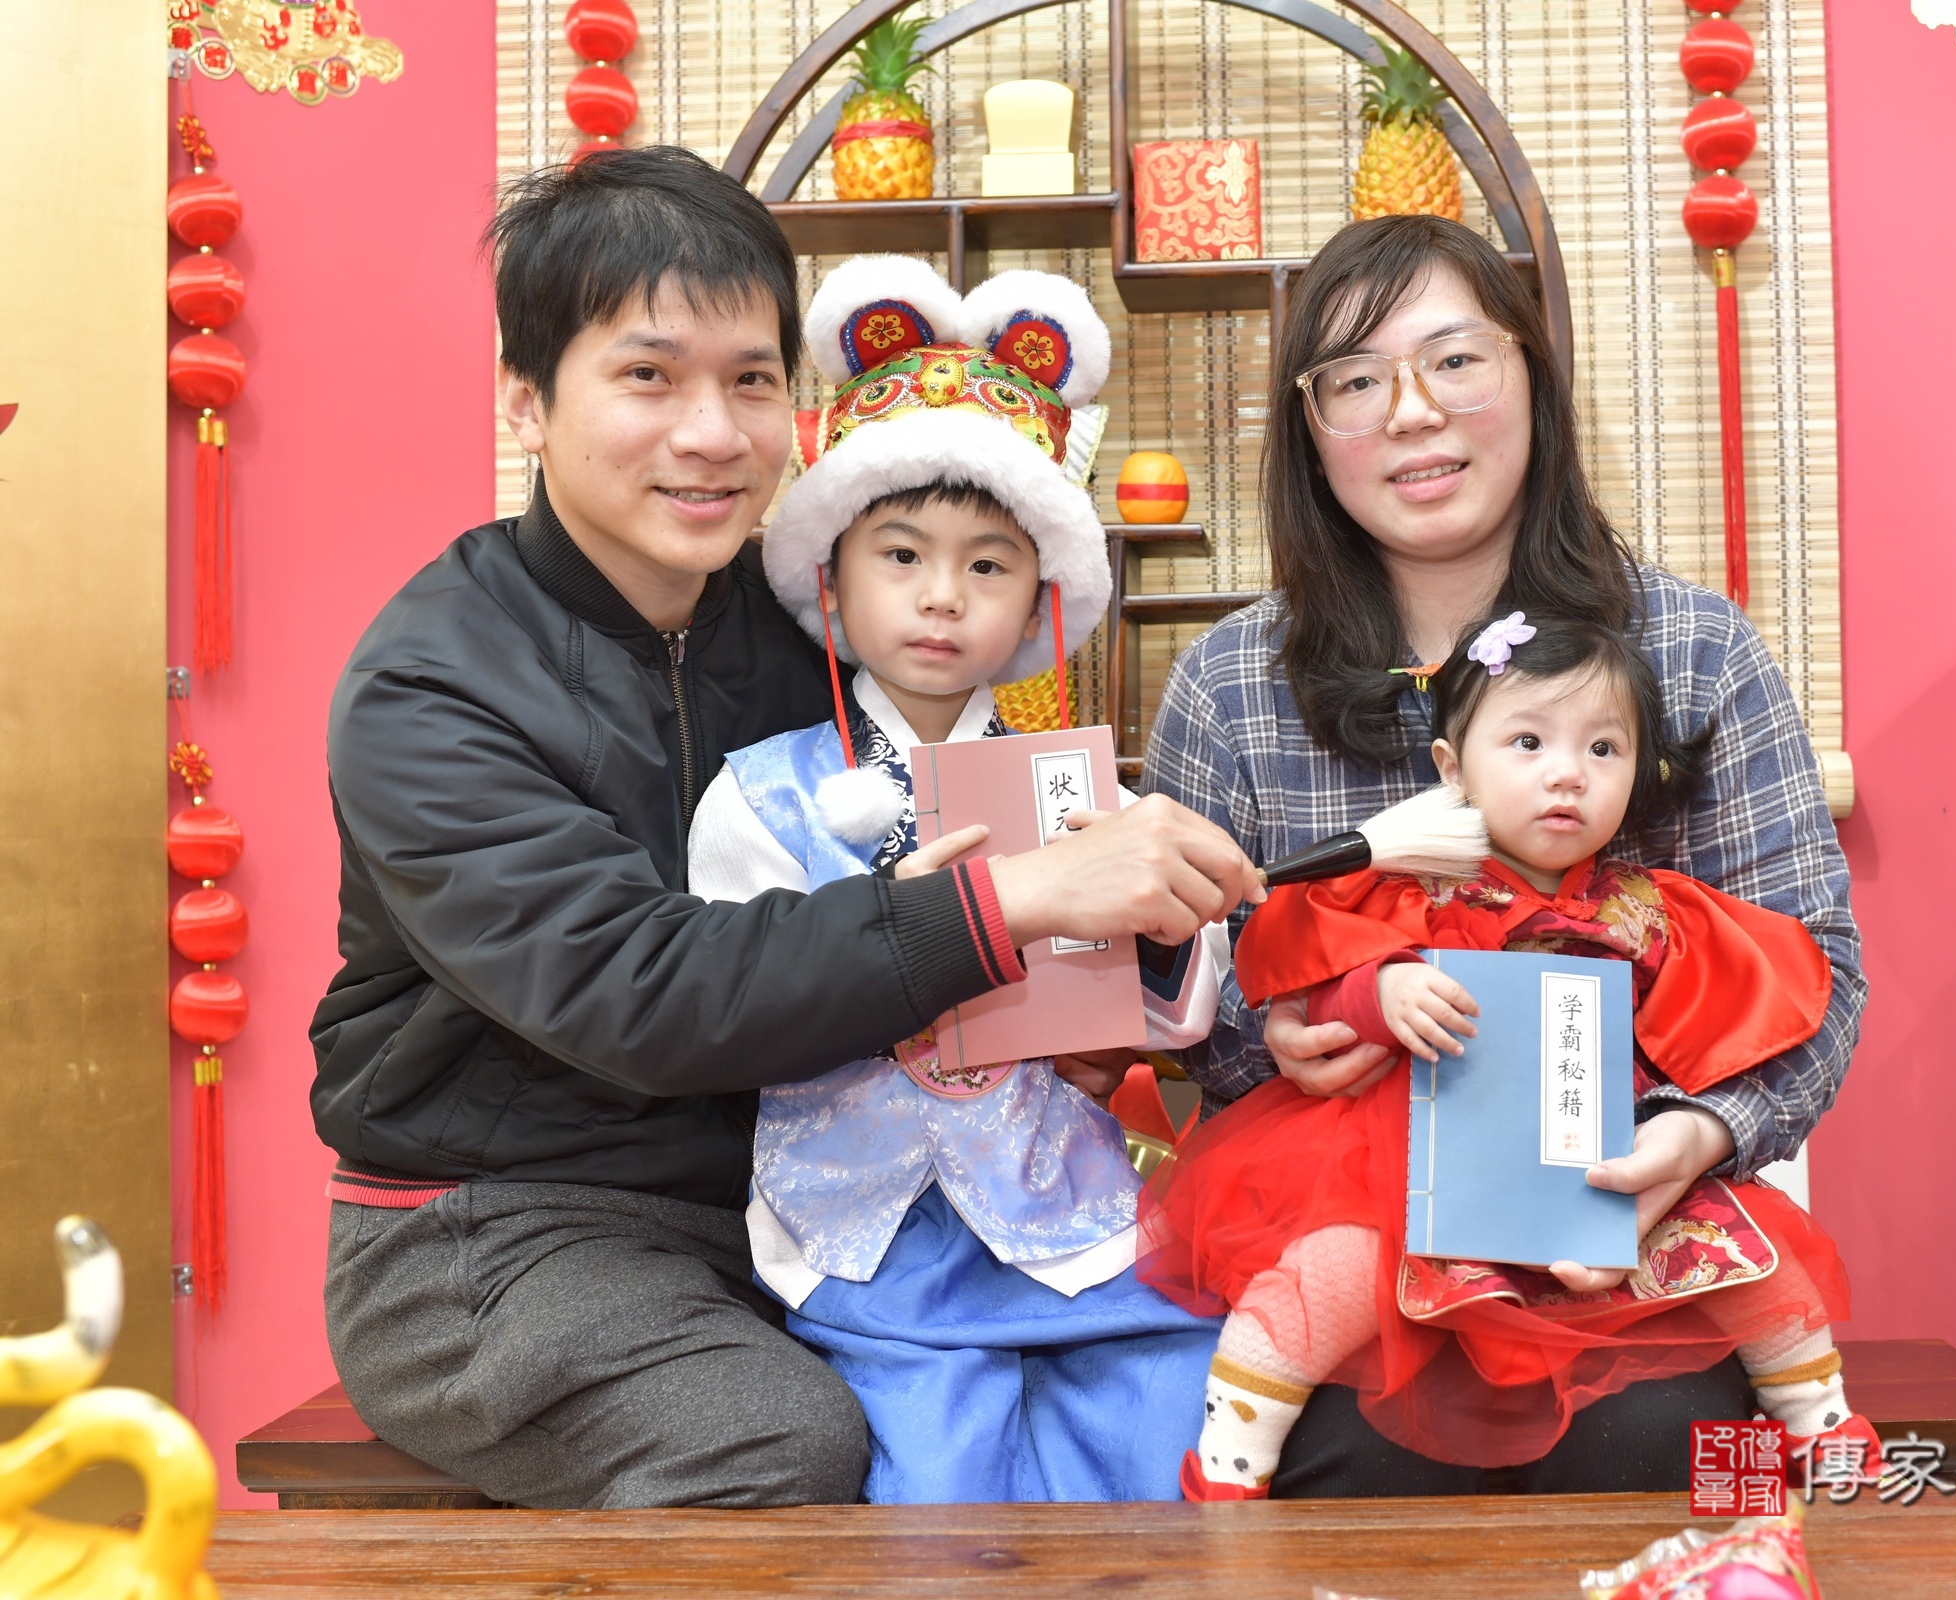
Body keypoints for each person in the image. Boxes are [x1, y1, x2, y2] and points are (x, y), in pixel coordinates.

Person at [311, 148, 1257, 1511]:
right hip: (497, 1228)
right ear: (526, 400)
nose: (712, 432)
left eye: (751, 380)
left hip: (815, 1197)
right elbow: (637, 990)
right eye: (649, 376)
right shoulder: (434, 684)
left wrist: (1114, 963)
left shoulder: (822, 625)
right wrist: (1012, 906)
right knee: (777, 1444)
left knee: (1191, 1384)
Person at [1140, 214, 1864, 1495]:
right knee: (1348, 1466)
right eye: (1356, 380)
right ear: (1311, 427)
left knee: (1678, 1453)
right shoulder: (1232, 683)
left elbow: (1818, 972)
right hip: (1352, 1237)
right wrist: (1291, 1030)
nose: (1413, 412)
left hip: (1618, 1235)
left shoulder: (1693, 649)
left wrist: (1701, 1136)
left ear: (1533, 369)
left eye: (1456, 359)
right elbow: (1196, 999)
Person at [682, 256, 1224, 1503]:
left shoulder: (1082, 796)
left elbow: (1180, 1003)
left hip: (1060, 1203)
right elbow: (725, 1002)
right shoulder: (762, 793)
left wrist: (1156, 937)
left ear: (1038, 606)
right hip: (864, 1231)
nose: (941, 596)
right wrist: (894, 936)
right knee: (934, 1492)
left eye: (988, 566)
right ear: (831, 581)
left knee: (1164, 1429)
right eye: (901, 554)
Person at [1143, 609, 1881, 1500]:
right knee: (1330, 1273)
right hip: (1411, 1163)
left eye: (1603, 750)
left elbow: (1751, 999)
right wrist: (1376, 994)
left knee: (1747, 1259)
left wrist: (1699, 1124)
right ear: (1452, 768)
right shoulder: (1411, 889)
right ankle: (1232, 1456)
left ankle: (1823, 1425)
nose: (1568, 774)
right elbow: (1301, 970)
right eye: (1528, 743)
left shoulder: (1651, 911)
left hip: (1599, 1160)